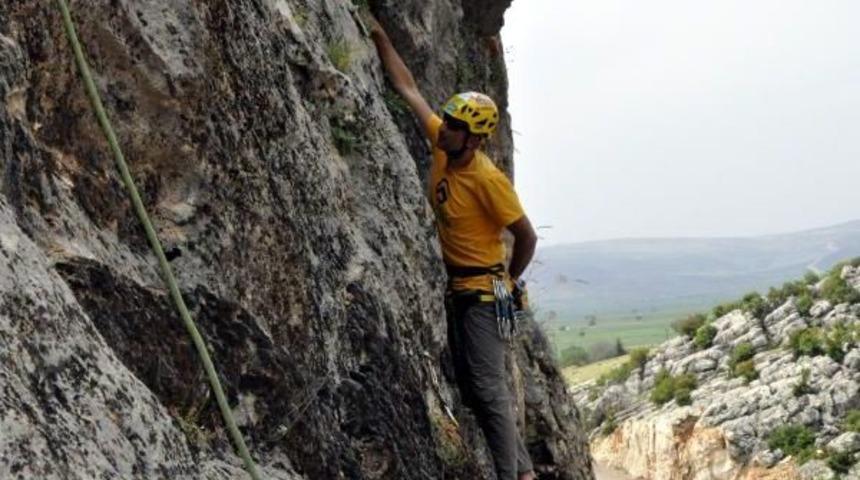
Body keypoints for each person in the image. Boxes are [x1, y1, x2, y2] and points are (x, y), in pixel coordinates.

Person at [368, 15, 539, 480]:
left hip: (484, 294)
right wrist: (380, 34)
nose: (444, 129)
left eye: (456, 126)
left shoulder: (486, 179)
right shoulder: (445, 146)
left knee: (488, 388)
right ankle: (522, 470)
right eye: (447, 121)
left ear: (476, 137)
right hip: (461, 289)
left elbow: (526, 235)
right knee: (472, 387)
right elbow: (409, 90)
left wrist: (510, 277)